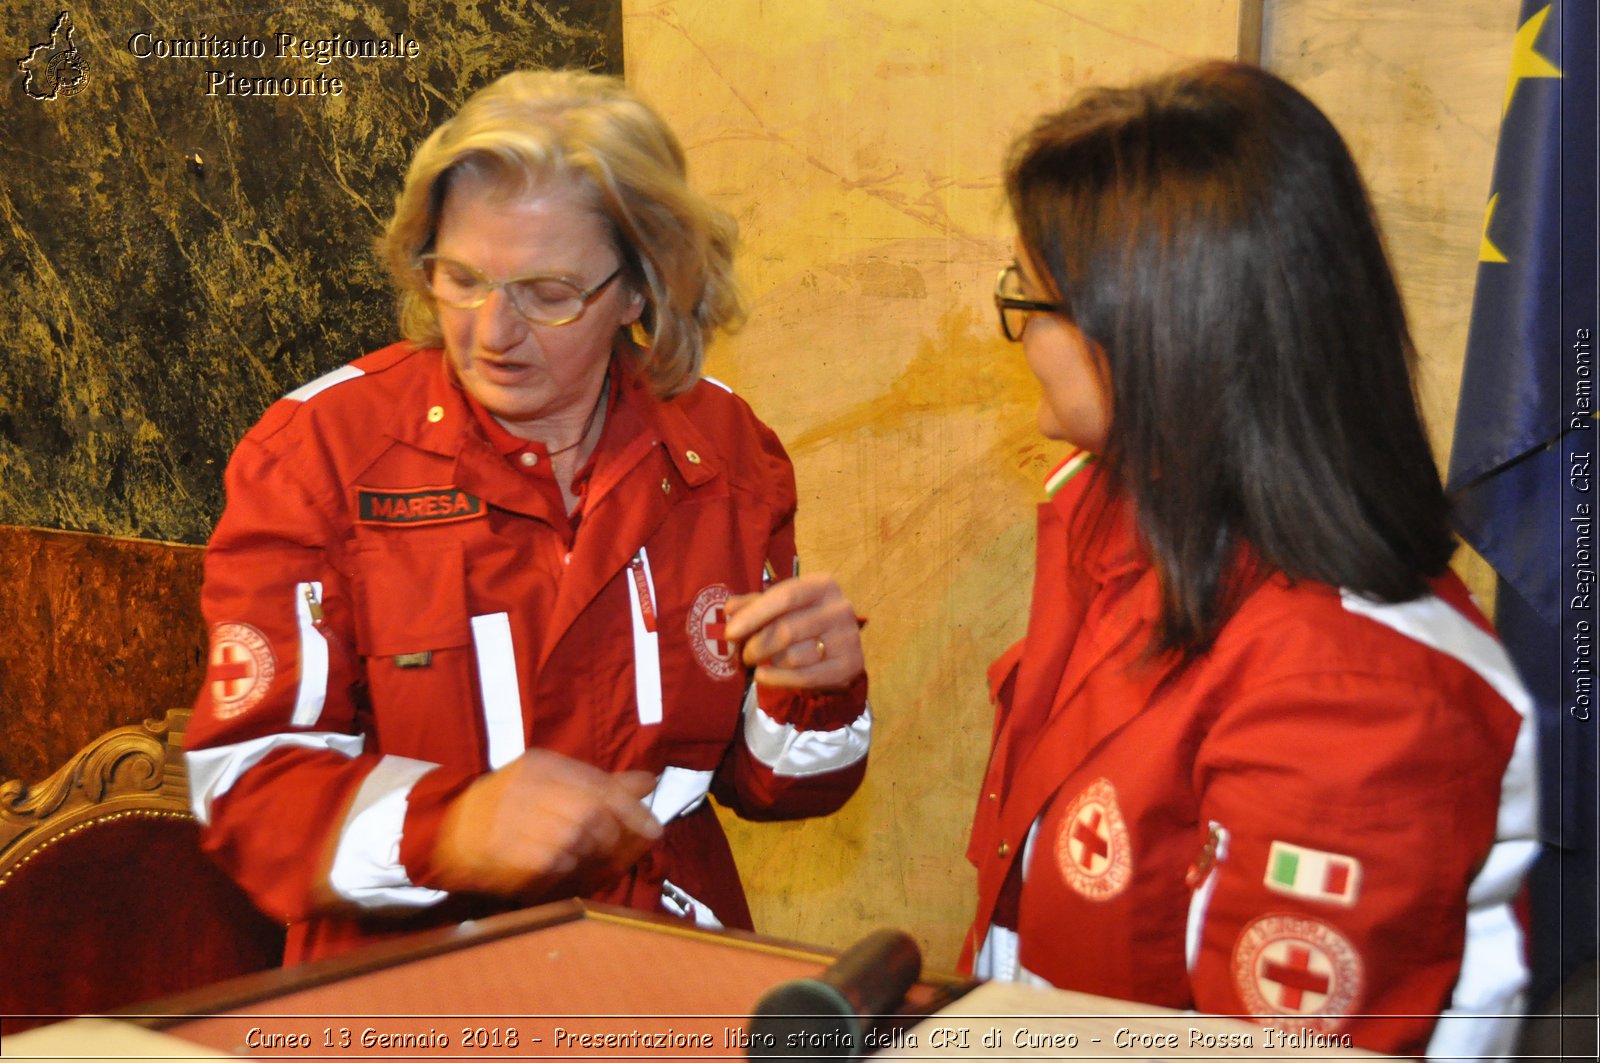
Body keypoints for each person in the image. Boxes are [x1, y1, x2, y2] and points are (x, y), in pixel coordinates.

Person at [185, 69, 870, 964]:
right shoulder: (318, 454)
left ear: (642, 290)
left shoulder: (724, 446)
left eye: (547, 294)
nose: (490, 331)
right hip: (412, 988)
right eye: (461, 278)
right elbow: (248, 788)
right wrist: (455, 827)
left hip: (658, 967)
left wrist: (811, 690)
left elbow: (775, 785)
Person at [966, 62, 1536, 1058]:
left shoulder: (1358, 695)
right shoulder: (1109, 511)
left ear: (1157, 333)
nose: (1017, 332)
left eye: (1034, 295)